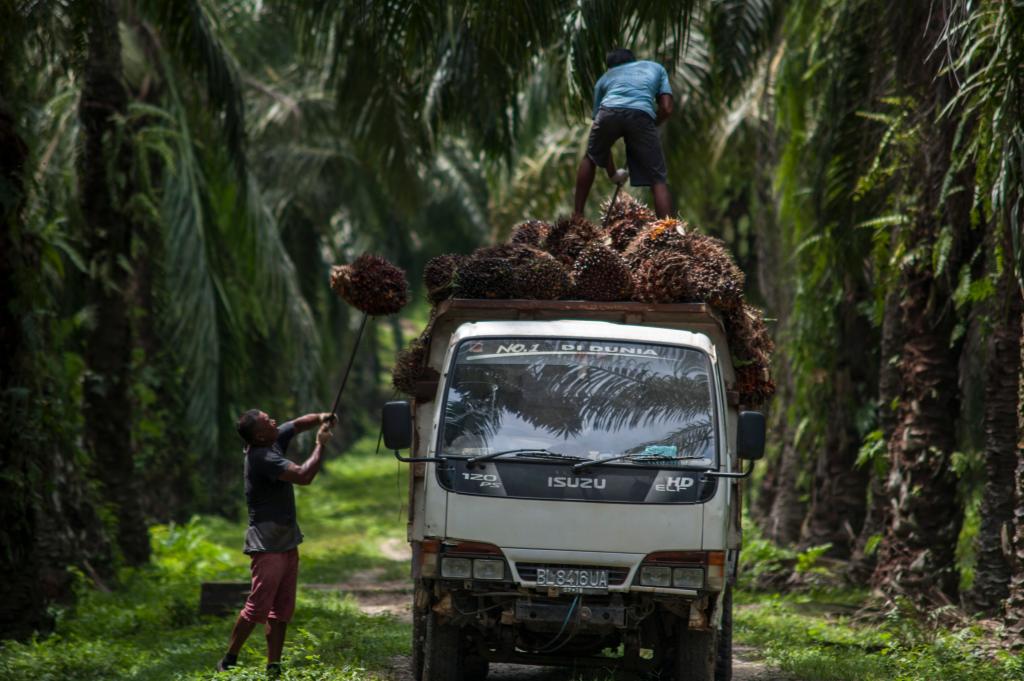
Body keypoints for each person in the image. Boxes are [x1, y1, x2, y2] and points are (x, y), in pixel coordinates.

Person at [216, 409, 336, 677]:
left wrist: (320, 417)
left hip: (287, 540)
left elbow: (295, 425)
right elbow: (304, 475)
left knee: (282, 609)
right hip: (267, 543)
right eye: (269, 422)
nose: (275, 423)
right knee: (258, 606)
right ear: (259, 435)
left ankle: (274, 665)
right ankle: (229, 659)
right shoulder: (262, 457)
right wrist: (320, 444)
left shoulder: (270, 438)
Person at [573, 47, 675, 219]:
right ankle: (668, 229)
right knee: (657, 178)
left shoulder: (604, 79)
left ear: (610, 67)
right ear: (633, 61)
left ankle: (577, 215)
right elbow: (666, 108)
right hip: (641, 116)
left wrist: (613, 174)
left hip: (608, 112)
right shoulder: (656, 68)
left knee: (590, 157)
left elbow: (601, 142)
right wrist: (652, 124)